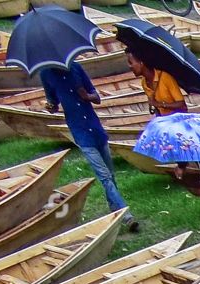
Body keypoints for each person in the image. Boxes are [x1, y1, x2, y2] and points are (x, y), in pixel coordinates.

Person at [39, 61, 136, 231]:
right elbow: (53, 104)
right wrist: (50, 107)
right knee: (105, 177)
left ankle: (114, 208)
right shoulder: (46, 74)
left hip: (96, 129)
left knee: (111, 175)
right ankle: (126, 216)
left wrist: (87, 97)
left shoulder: (75, 68)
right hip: (81, 133)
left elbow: (96, 97)